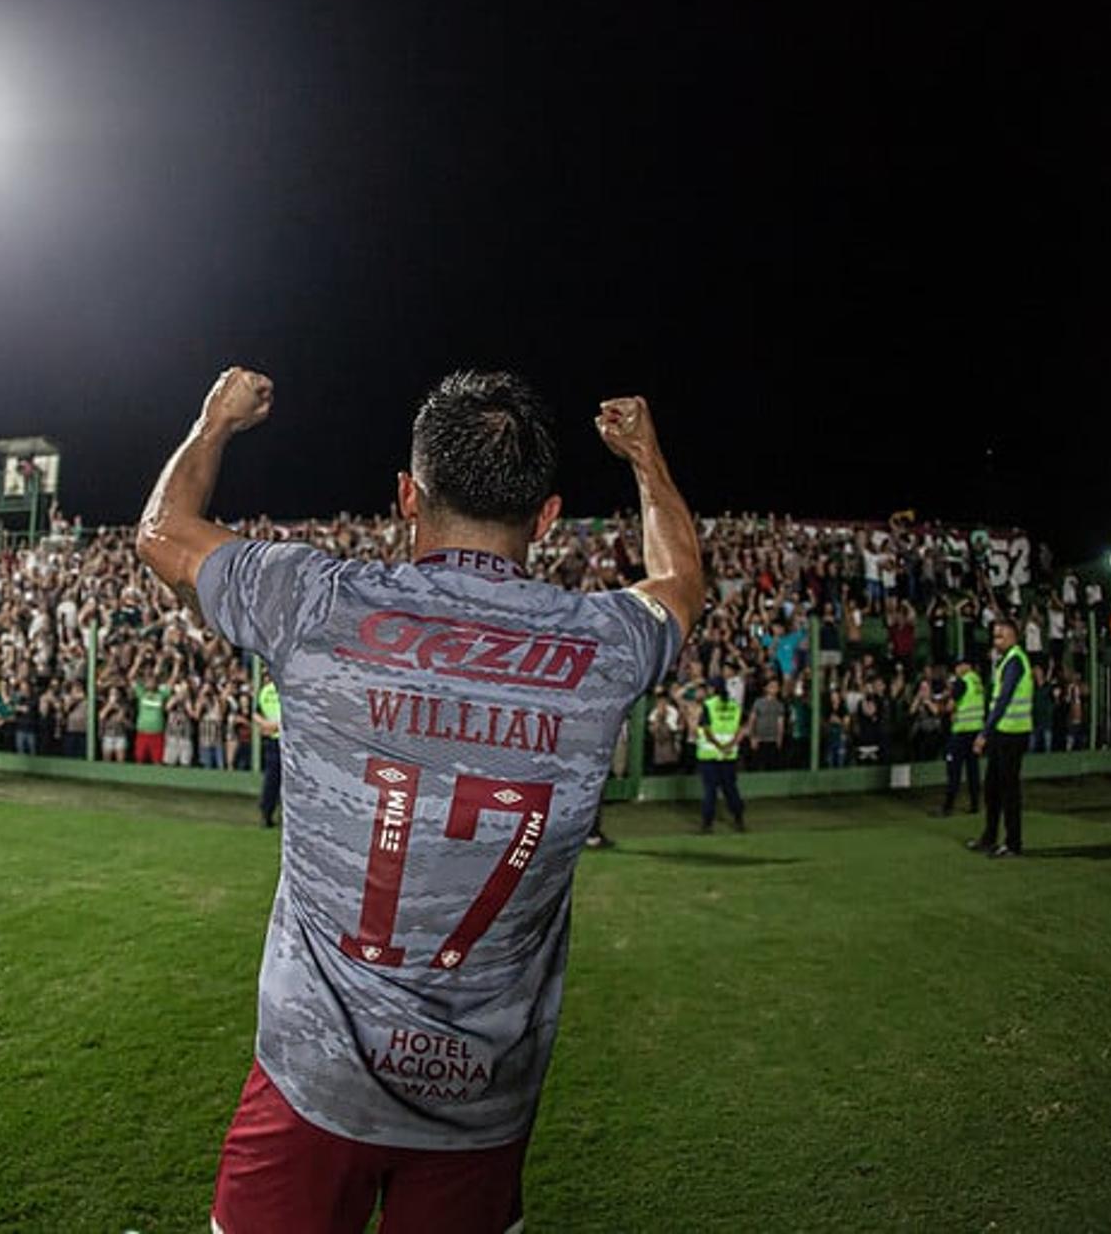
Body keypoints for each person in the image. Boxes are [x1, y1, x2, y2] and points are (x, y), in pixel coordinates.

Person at [136, 368, 700, 1234]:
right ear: (547, 516)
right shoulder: (604, 645)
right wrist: (646, 461)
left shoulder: (316, 602)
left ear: (407, 496)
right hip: (482, 1103)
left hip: (310, 1082)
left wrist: (214, 423)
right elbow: (682, 585)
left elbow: (163, 533)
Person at [966, 617, 1033, 858]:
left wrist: (984, 733)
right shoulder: (1006, 661)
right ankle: (990, 837)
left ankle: (1013, 843)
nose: (996, 641)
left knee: (1008, 790)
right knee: (993, 789)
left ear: (1014, 636)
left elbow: (1003, 700)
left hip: (1012, 734)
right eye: (994, 636)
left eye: (1000, 636)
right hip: (1003, 733)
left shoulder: (1014, 661)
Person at [694, 680, 747, 832]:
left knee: (710, 790)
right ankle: (739, 819)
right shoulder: (734, 705)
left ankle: (707, 824)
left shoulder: (709, 705)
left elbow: (707, 730)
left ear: (713, 689)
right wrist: (730, 745)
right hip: (729, 755)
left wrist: (719, 745)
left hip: (709, 754)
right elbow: (742, 727)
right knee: (730, 789)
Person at [938, 659, 983, 815]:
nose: (956, 671)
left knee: (954, 770)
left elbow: (950, 706)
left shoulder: (963, 682)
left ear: (965, 666)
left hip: (961, 731)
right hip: (976, 730)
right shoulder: (977, 681)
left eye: (958, 667)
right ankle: (975, 805)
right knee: (973, 770)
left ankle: (948, 807)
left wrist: (942, 706)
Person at [254, 676, 282, 828]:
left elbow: (256, 714)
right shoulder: (285, 690)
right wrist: (274, 725)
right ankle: (277, 814)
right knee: (283, 781)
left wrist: (265, 724)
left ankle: (267, 813)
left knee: (271, 780)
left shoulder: (265, 691)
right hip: (284, 740)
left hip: (271, 739)